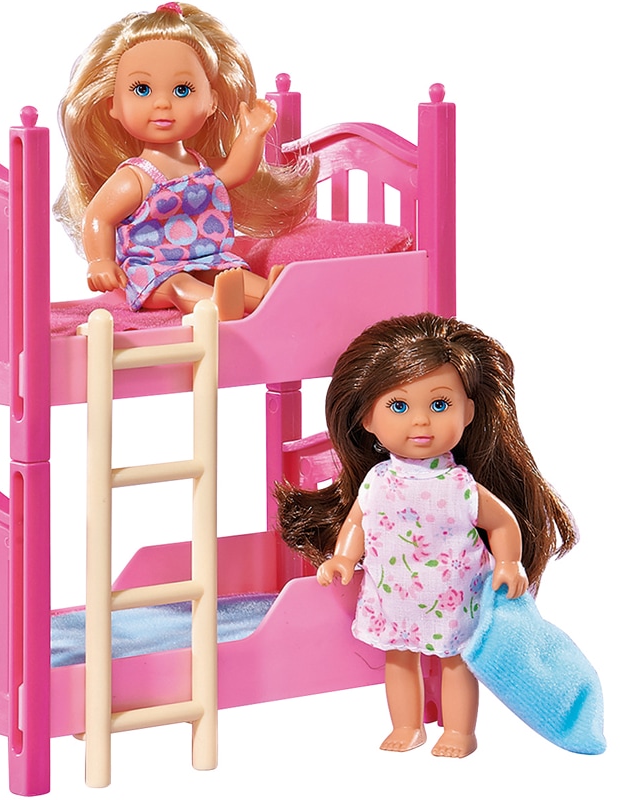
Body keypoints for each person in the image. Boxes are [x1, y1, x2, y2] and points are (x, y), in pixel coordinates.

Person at [276, 312, 577, 757]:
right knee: (398, 657)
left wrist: (510, 562)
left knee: (457, 661)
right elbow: (357, 521)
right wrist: (343, 557)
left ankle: (459, 732)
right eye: (399, 407)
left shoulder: (460, 486)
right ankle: (407, 726)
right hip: (392, 593)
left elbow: (501, 523)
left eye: (439, 405)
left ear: (467, 412)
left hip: (453, 593)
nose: (420, 422)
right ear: (367, 418)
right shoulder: (377, 481)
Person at [54, 3, 317, 319]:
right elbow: (98, 217)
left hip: (206, 258)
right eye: (142, 89)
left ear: (211, 102)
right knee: (179, 286)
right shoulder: (135, 177)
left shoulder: (199, 167)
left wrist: (252, 134)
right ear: (114, 105)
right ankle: (214, 306)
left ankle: (271, 294)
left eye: (182, 90)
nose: (162, 103)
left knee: (232, 274)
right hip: (153, 271)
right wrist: (100, 261)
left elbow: (236, 171)